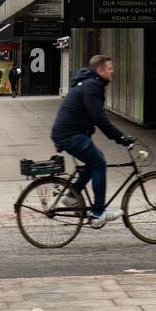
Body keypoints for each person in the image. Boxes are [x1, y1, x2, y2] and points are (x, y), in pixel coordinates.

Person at [51, 55, 134, 226]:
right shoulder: (92, 86)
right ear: (100, 70)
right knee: (99, 163)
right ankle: (98, 213)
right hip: (70, 134)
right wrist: (121, 138)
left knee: (95, 159)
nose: (113, 71)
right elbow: (99, 118)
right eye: (109, 68)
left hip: (70, 132)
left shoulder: (90, 84)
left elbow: (94, 115)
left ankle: (72, 196)